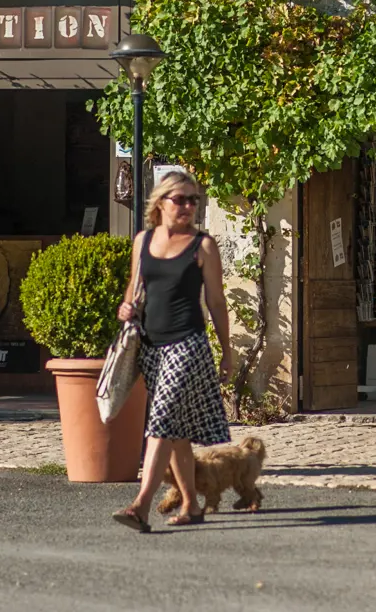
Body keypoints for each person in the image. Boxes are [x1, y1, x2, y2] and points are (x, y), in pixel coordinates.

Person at [111, 171, 234, 532]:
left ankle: (141, 504)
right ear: (161, 202)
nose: (188, 206)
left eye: (193, 199)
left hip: (188, 344)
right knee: (177, 432)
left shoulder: (203, 246)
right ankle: (193, 503)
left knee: (161, 420)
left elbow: (216, 301)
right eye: (180, 199)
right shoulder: (143, 241)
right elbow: (134, 289)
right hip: (150, 346)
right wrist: (125, 308)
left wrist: (227, 351)